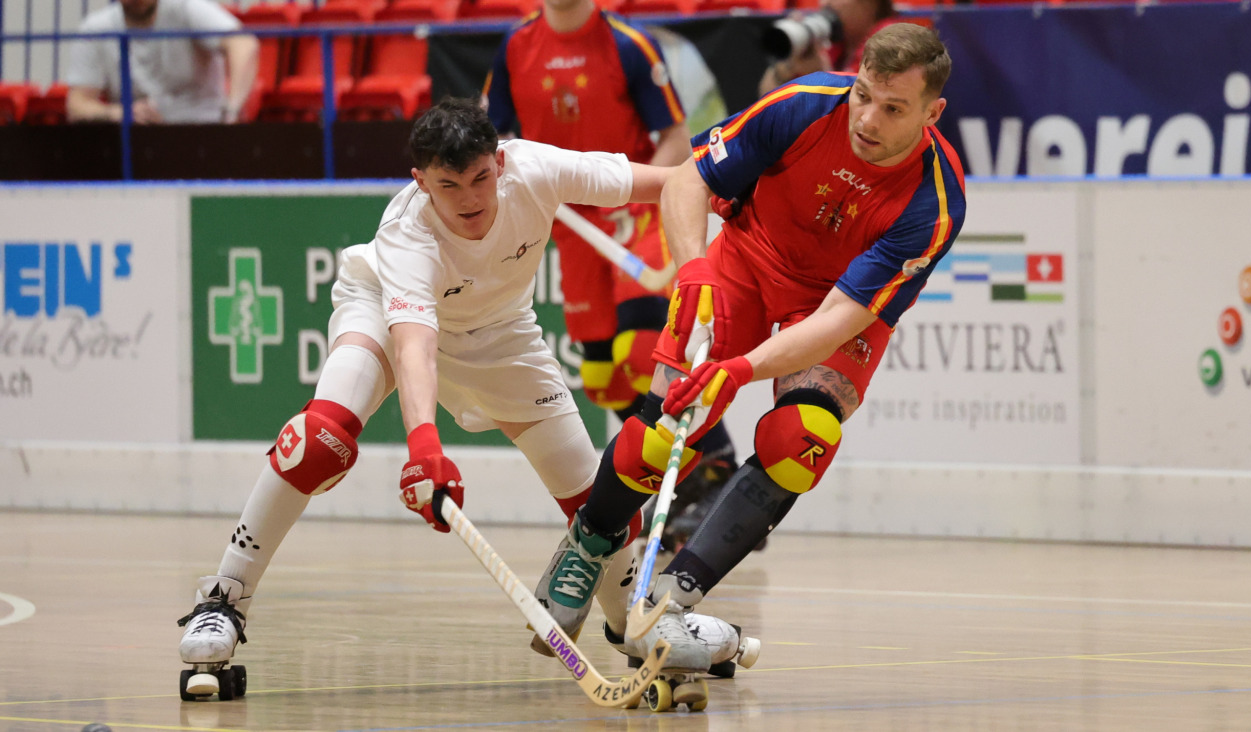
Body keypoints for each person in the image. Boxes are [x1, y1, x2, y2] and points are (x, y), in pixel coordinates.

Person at [175, 98, 742, 701]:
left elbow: (673, 180)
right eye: (449, 185)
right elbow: (414, 345)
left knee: (600, 498)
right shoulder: (407, 235)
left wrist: (734, 191)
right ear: (420, 183)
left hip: (503, 334)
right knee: (322, 438)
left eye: (480, 178)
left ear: (499, 161)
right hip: (382, 310)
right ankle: (223, 599)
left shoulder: (535, 168)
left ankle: (638, 619)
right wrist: (424, 445)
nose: (471, 199)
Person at [535, 23, 967, 673]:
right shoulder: (803, 104)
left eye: (894, 108)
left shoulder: (935, 202)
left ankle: (672, 601)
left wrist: (740, 370)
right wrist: (693, 267)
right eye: (864, 96)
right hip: (743, 262)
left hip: (831, 308)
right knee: (666, 423)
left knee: (802, 441)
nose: (868, 120)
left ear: (933, 113)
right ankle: (588, 544)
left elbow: (840, 317)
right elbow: (687, 181)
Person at [483, 0, 740, 551]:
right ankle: (678, 465)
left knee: (642, 346)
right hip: (571, 227)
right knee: (601, 376)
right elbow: (493, 138)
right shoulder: (515, 49)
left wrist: (660, 189)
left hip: (633, 213)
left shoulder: (628, 46)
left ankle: (716, 461)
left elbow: (674, 135)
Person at [67, 0, 258, 124]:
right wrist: (118, 113)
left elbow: (244, 44)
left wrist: (233, 110)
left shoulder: (186, 7)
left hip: (205, 134)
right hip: (135, 142)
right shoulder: (95, 28)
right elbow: (76, 105)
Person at [758, 0, 917, 96]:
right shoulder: (833, 41)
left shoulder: (895, 43)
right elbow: (765, 97)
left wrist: (821, 74)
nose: (826, 3)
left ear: (871, 4)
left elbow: (866, 116)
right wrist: (787, 64)